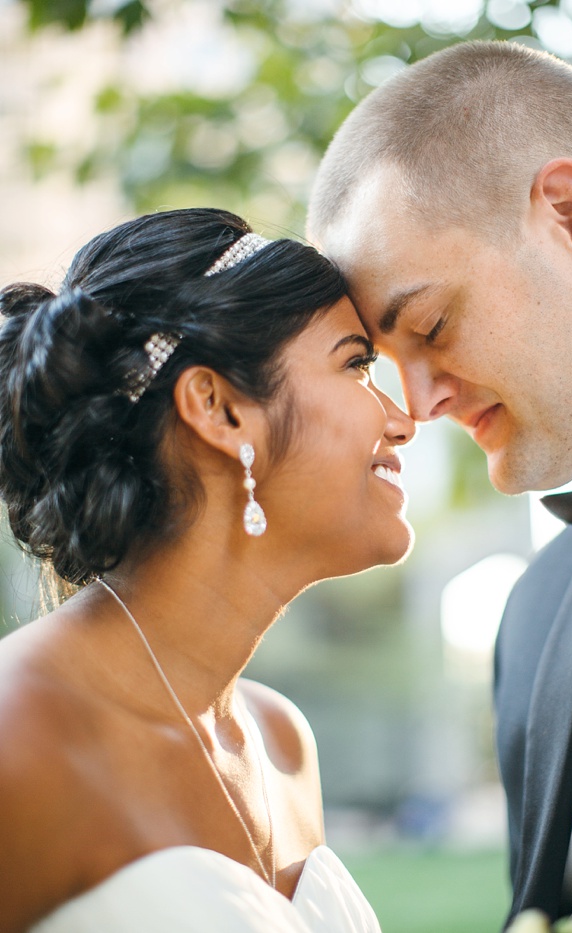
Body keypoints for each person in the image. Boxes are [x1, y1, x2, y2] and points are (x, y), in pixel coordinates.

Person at [307, 39, 572, 933]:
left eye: (433, 323)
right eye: (382, 362)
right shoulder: (530, 618)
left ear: (569, 215)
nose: (419, 404)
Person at [0, 206, 417, 932]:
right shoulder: (23, 735)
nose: (403, 418)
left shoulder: (281, 739)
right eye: (355, 363)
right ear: (218, 408)